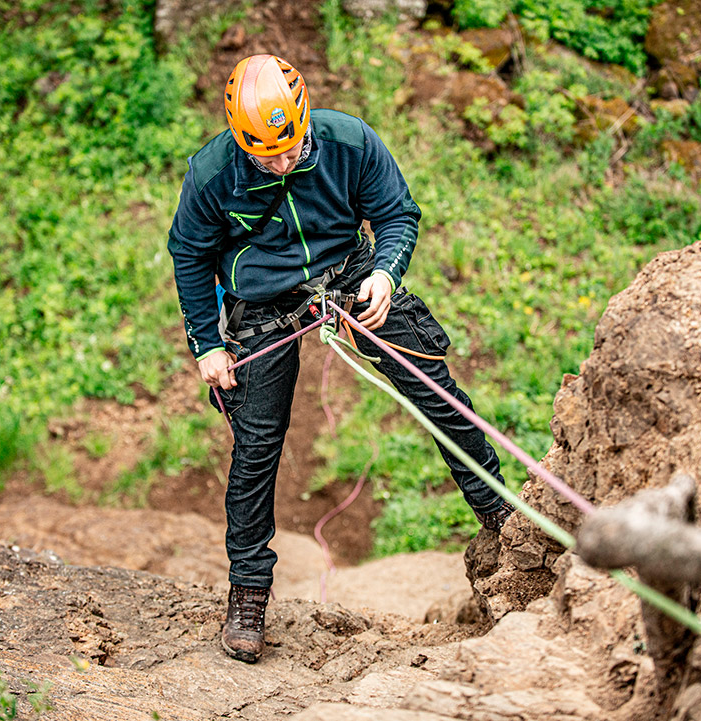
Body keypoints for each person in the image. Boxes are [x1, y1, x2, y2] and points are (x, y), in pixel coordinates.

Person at [168, 54, 514, 663]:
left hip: (349, 272)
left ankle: (499, 511)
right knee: (257, 445)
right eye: (265, 158)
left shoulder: (348, 141)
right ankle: (248, 593)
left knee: (431, 386)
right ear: (239, 140)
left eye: (290, 150)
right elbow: (190, 256)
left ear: (304, 121)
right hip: (262, 299)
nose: (282, 164)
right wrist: (208, 344)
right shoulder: (212, 174)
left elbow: (396, 214)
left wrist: (384, 274)